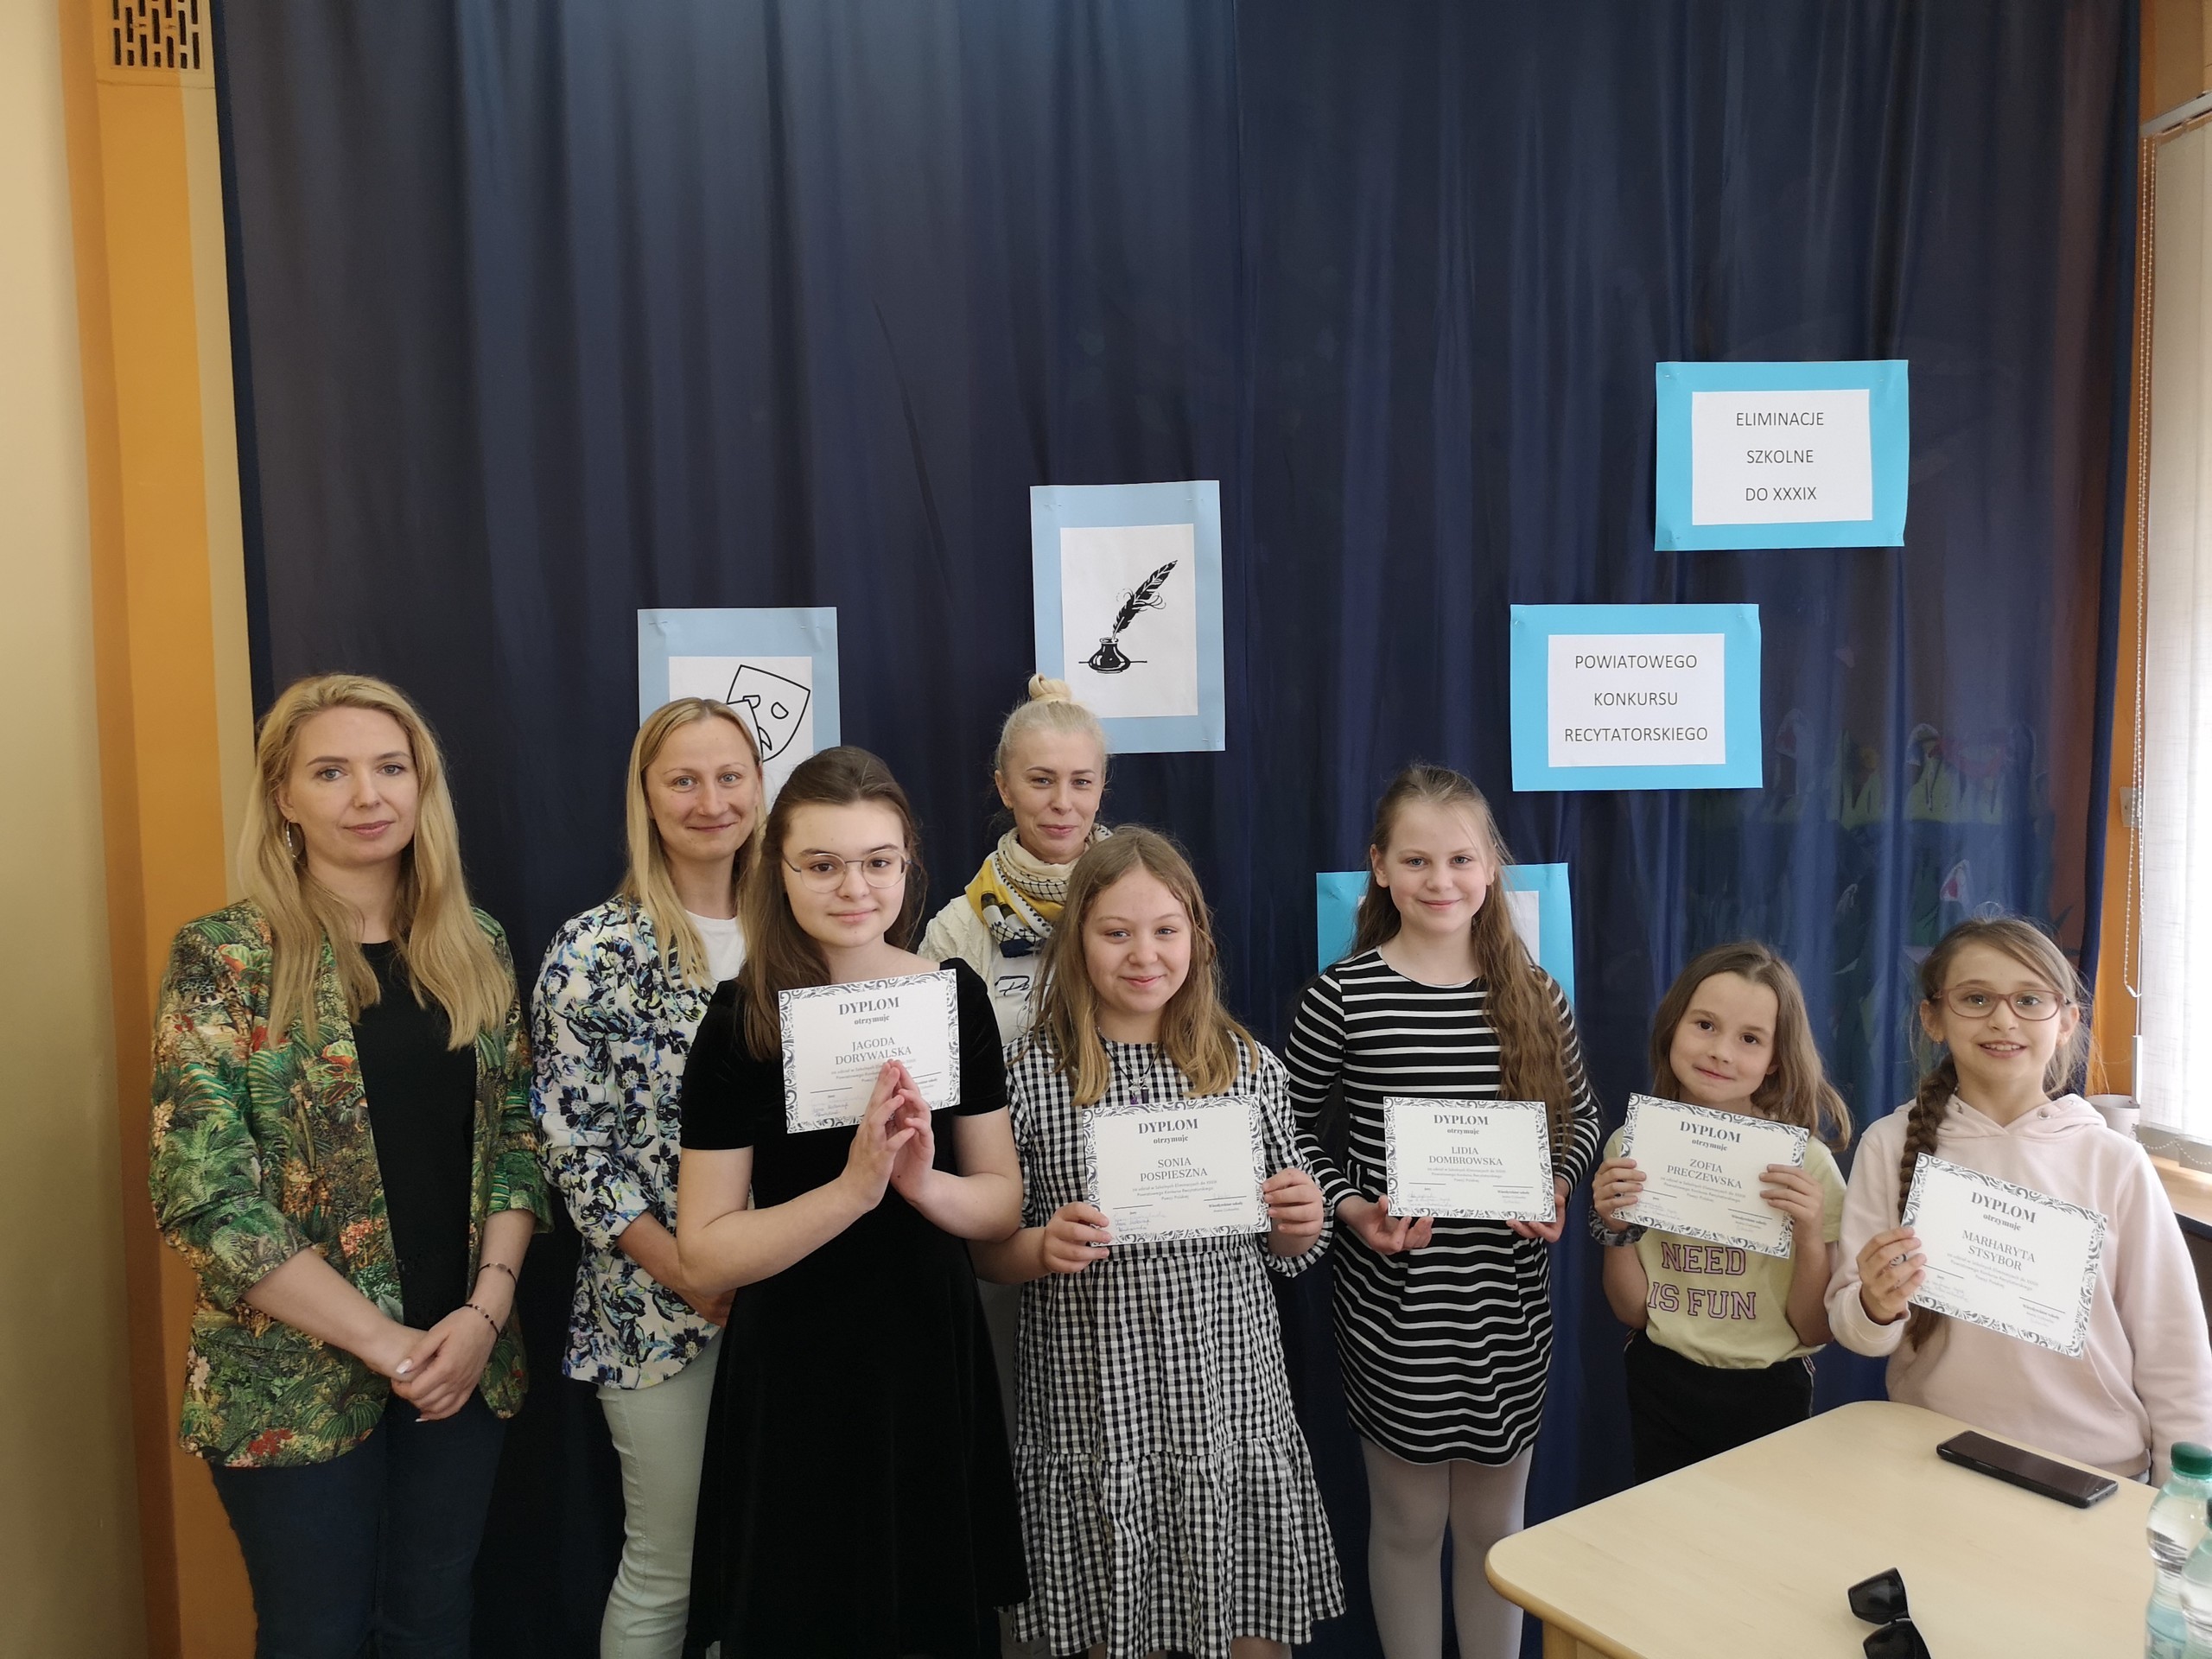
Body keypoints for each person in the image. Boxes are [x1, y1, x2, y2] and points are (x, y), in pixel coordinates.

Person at [148, 673, 548, 1659]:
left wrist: (483, 1315)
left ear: (421, 785)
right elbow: (205, 1196)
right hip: (290, 1377)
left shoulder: (477, 946)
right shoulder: (226, 956)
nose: (367, 795)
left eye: (390, 768)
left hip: (463, 1357)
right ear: (284, 796)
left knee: (432, 1624)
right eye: (331, 772)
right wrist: (386, 1346)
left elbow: (517, 1141)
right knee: (314, 1635)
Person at [675, 746, 1028, 1656]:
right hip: (796, 1368)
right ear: (778, 869)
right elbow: (704, 1253)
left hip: (928, 1356)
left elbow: (999, 1206)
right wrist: (852, 1191)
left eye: (877, 861)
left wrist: (920, 1185)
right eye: (822, 864)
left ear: (908, 862)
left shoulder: (952, 997)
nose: (854, 888)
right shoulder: (741, 1019)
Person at [972, 829, 1345, 1659]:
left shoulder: (1246, 1065)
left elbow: (1292, 1244)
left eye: (1166, 930)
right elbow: (986, 1253)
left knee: (1250, 1628)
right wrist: (1039, 1248)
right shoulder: (1028, 1074)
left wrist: (1301, 1221)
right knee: (1113, 1629)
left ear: (1197, 938)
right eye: (1117, 932)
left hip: (1227, 1401)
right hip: (1095, 1406)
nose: (1144, 954)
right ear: (1078, 941)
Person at [1284, 764, 1598, 1659]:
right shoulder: (1342, 996)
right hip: (1396, 1311)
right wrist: (1352, 1208)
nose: (1440, 880)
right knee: (1408, 1524)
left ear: (1491, 867)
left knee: (1496, 1528)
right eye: (1416, 860)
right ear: (1379, 868)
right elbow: (1287, 1131)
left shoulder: (1532, 992)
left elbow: (1580, 1119)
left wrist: (1559, 1185)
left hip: (1505, 1307)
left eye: (1460, 859)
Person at [531, 697, 764, 1657]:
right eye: (684, 780)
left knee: (779, 1568)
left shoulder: (807, 935)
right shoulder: (593, 952)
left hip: (800, 1297)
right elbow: (572, 1147)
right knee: (671, 1568)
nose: (711, 801)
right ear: (647, 797)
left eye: (730, 776)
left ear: (760, 789)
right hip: (657, 1312)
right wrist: (689, 1271)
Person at [1827, 914, 2212, 1482]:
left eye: (2030, 1000)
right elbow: (1855, 1330)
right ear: (1933, 1018)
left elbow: (2174, 1349)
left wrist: (2182, 1493)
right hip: (1933, 1456)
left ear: (2066, 1022)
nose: (2003, 1019)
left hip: (2093, 1469)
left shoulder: (2114, 1162)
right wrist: (1875, 1303)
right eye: (1976, 998)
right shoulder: (1889, 1144)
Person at [1588, 941, 1852, 1481]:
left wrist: (1807, 1234)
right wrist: (1615, 1230)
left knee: (1757, 1529)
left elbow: (1815, 1326)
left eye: (1750, 1039)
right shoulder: (1632, 1147)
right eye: (1705, 1025)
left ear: (1775, 1059)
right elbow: (1633, 1312)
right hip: (1661, 1375)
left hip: (1770, 1384)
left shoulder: (1808, 1166)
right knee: (1663, 1523)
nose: (1721, 1052)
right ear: (1672, 1028)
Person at [921, 673, 1110, 1041]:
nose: (1063, 803)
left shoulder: (1147, 904)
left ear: (1101, 788)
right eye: (1042, 780)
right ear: (1005, 789)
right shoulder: (956, 930)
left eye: (1081, 782)